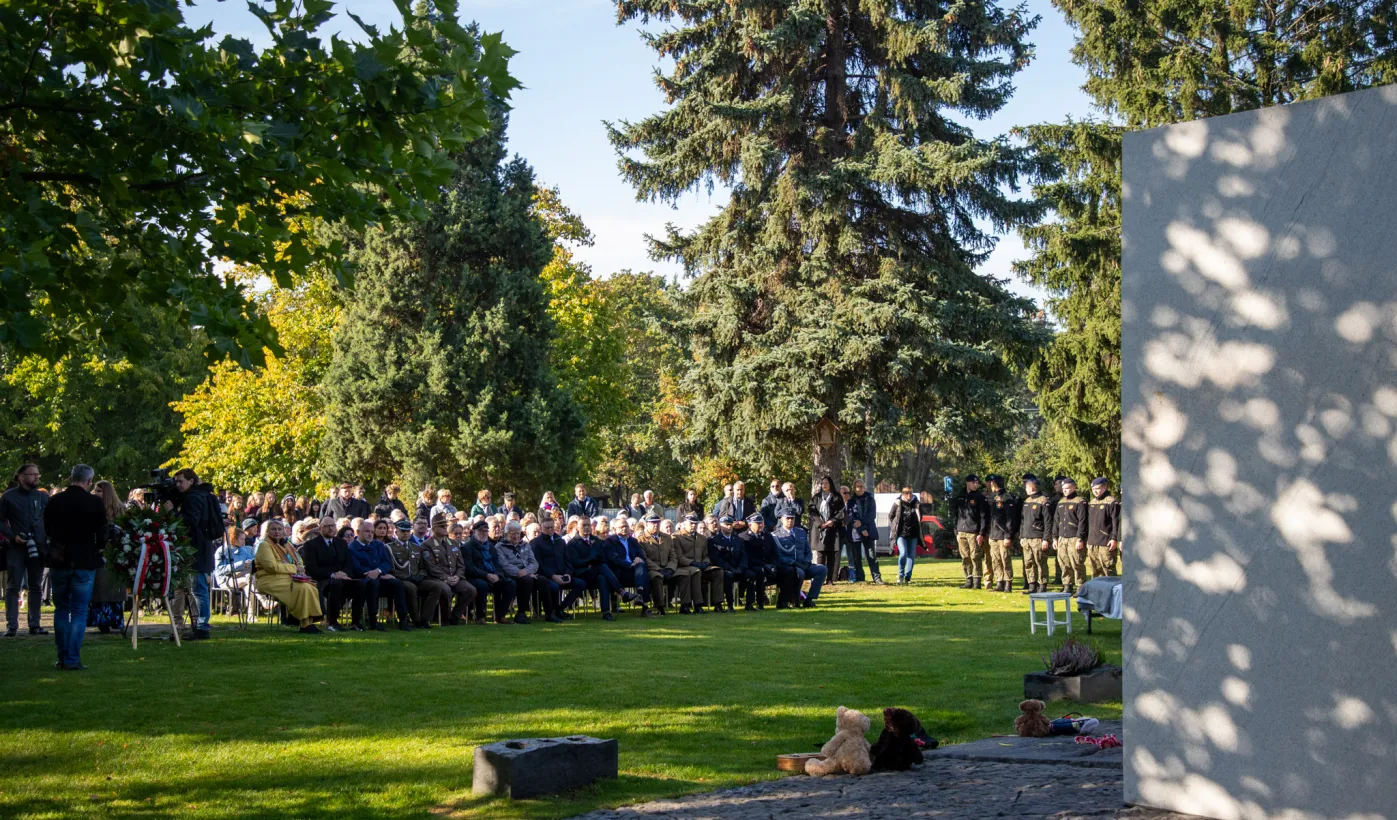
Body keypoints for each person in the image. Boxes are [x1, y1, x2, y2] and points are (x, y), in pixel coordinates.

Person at [41, 465, 106, 668]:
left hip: (60, 558)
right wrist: (99, 547)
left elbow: (47, 528)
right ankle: (72, 658)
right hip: (85, 559)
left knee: (61, 608)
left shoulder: (55, 501)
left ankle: (63, 656)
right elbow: (102, 533)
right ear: (89, 481)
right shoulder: (94, 502)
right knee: (79, 611)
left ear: (70, 478)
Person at [171, 468, 222, 640]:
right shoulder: (202, 495)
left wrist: (173, 511)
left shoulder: (194, 498)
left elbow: (190, 521)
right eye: (176, 482)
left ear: (191, 481)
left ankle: (201, 626)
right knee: (197, 588)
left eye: (181, 481)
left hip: (196, 548)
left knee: (198, 589)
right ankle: (200, 624)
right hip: (200, 546)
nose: (178, 485)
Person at [1, 463, 49, 637]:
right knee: (13, 586)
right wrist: (13, 536)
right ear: (21, 477)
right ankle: (12, 625)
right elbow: (1, 521)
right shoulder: (8, 497)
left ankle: (35, 624)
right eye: (32, 474)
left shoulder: (43, 497)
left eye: (37, 474)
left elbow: (49, 520)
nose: (36, 477)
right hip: (17, 547)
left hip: (38, 546)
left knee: (36, 585)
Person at [253, 518, 323, 634]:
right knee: (302, 588)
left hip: (284, 578)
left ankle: (308, 622)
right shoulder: (264, 545)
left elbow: (297, 560)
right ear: (267, 532)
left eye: (279, 529)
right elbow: (272, 567)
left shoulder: (284, 545)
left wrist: (298, 566)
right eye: (273, 529)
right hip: (268, 580)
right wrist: (294, 568)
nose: (277, 532)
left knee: (311, 587)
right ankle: (304, 623)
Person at [300, 516, 362, 632]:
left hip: (343, 578)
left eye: (332, 526)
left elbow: (348, 563)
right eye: (327, 526)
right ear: (320, 528)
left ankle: (356, 622)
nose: (330, 529)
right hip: (322, 580)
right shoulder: (311, 545)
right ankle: (332, 622)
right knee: (336, 584)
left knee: (360, 585)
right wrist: (333, 574)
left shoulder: (341, 543)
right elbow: (311, 568)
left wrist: (344, 573)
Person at [417, 515, 475, 625]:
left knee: (470, 590)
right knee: (445, 590)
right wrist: (446, 578)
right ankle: (445, 618)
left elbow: (461, 565)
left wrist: (457, 576)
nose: (445, 528)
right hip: (437, 578)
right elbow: (431, 566)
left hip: (455, 577)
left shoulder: (454, 543)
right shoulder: (427, 545)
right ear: (433, 528)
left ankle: (455, 616)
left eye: (445, 525)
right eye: (441, 526)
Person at [462, 519, 515, 624]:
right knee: (482, 585)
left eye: (486, 531)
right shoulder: (467, 547)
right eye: (481, 531)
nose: (484, 533)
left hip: (491, 575)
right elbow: (469, 568)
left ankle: (501, 615)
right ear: (474, 531)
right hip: (475, 577)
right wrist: (486, 575)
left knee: (510, 583)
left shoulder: (491, 547)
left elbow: (497, 564)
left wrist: (498, 575)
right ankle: (480, 616)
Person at [531, 516, 582, 622]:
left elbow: (567, 559)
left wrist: (568, 573)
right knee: (554, 587)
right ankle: (551, 613)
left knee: (580, 583)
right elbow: (538, 564)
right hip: (547, 576)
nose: (550, 530)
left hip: (562, 574)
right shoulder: (536, 543)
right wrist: (553, 576)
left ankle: (560, 609)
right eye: (547, 528)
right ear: (541, 528)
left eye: (551, 527)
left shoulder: (560, 541)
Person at [604, 517, 655, 617]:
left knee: (642, 566)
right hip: (619, 571)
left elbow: (641, 555)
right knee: (642, 571)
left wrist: (638, 559)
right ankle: (645, 605)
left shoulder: (633, 541)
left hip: (634, 571)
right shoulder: (610, 541)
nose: (624, 529)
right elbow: (613, 558)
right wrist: (630, 564)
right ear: (615, 529)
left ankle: (640, 596)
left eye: (626, 526)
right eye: (621, 527)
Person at [949, 475, 990, 589]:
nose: (975, 485)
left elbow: (984, 517)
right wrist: (956, 531)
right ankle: (968, 580)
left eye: (977, 483)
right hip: (961, 531)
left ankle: (977, 581)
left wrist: (981, 533)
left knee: (975, 556)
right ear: (967, 483)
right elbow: (956, 515)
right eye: (973, 483)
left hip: (974, 532)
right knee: (965, 556)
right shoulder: (960, 497)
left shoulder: (980, 497)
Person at [637, 514, 683, 615]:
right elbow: (645, 558)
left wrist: (670, 568)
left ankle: (686, 605)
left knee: (684, 575)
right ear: (646, 524)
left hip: (667, 567)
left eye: (657, 522)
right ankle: (660, 606)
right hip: (653, 569)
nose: (656, 525)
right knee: (657, 577)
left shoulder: (667, 538)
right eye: (653, 523)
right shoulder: (641, 539)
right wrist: (658, 569)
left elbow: (673, 556)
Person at [708, 515, 752, 612]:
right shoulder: (714, 540)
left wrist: (741, 567)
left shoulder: (738, 539)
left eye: (730, 525)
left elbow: (744, 555)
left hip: (738, 568)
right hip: (726, 569)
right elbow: (716, 559)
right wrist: (729, 568)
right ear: (720, 526)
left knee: (751, 575)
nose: (729, 527)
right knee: (728, 576)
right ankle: (730, 605)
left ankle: (749, 604)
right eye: (726, 525)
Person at [985, 475, 1020, 593]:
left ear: (995, 484)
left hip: (1003, 535)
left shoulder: (1007, 498)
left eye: (992, 483)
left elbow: (1011, 519)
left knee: (1005, 559)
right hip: (994, 534)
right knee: (995, 560)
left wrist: (1008, 536)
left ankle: (1008, 583)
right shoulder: (994, 498)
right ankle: (999, 582)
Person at [1053, 478, 1089, 593]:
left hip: (1074, 537)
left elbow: (1083, 521)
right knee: (1064, 562)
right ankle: (1067, 585)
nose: (1065, 491)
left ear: (1074, 487)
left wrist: (1080, 538)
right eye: (1063, 489)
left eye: (1067, 488)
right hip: (1062, 537)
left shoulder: (1080, 502)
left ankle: (1080, 586)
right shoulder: (1061, 502)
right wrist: (1054, 537)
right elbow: (1056, 521)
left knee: (1077, 562)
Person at [670, 514, 711, 613]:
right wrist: (693, 563)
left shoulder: (702, 538)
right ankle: (695, 604)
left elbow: (705, 554)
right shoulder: (677, 537)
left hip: (699, 565)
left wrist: (705, 562)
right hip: (683, 566)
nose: (693, 526)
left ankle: (719, 604)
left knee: (718, 572)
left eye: (695, 524)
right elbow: (679, 557)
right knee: (695, 571)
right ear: (684, 524)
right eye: (691, 523)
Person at [1018, 475, 1052, 594]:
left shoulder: (1043, 501)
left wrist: (1046, 539)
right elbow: (1023, 521)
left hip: (1038, 537)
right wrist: (1022, 536)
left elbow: (1048, 521)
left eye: (1026, 487)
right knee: (1028, 562)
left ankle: (1042, 585)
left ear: (1032, 488)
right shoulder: (1027, 501)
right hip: (1027, 537)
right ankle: (1032, 585)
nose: (1025, 489)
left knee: (1040, 562)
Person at [808, 475, 845, 583]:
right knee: (821, 554)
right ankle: (819, 578)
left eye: (826, 483)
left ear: (830, 484)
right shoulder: (816, 497)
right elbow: (812, 512)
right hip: (820, 529)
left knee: (831, 555)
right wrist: (821, 523)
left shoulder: (837, 497)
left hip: (832, 529)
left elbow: (841, 511)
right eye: (822, 483)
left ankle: (830, 579)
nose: (824, 485)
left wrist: (831, 521)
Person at [215, 524, 258, 615]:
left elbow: (250, 561)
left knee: (248, 585)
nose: (244, 542)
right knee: (249, 581)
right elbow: (220, 570)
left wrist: (251, 563)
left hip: (242, 577)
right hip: (226, 579)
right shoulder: (221, 551)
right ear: (233, 539)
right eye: (242, 539)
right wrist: (241, 564)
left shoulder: (243, 550)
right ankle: (262, 602)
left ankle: (250, 615)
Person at [845, 479, 881, 584]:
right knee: (857, 557)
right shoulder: (851, 501)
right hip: (856, 532)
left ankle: (877, 577)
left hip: (869, 531)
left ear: (864, 487)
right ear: (854, 488)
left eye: (861, 486)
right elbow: (852, 517)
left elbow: (872, 515)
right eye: (857, 486)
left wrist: (864, 526)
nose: (860, 488)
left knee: (871, 556)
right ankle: (860, 577)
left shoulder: (870, 499)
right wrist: (861, 529)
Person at [739, 513, 778, 608]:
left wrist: (773, 564)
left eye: (762, 523)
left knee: (786, 571)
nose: (760, 525)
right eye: (757, 523)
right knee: (759, 572)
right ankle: (757, 602)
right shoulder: (743, 537)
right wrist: (765, 565)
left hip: (767, 565)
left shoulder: (768, 536)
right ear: (750, 525)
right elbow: (748, 556)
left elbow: (774, 552)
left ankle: (785, 601)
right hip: (752, 566)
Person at [885, 486, 921, 585]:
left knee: (911, 556)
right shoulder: (898, 503)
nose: (908, 495)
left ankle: (907, 577)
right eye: (906, 493)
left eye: (910, 492)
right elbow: (891, 516)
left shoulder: (916, 503)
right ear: (902, 493)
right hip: (901, 533)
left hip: (913, 533)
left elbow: (920, 517)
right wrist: (895, 526)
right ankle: (900, 575)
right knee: (903, 553)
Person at [1086, 478, 1120, 580]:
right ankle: (1098, 593)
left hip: (1106, 542)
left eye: (1098, 488)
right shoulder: (1091, 503)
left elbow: (1116, 522)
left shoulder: (1111, 502)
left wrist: (1114, 538)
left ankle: (1112, 594)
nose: (1095, 491)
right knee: (1095, 571)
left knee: (1108, 570)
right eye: (1093, 489)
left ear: (1105, 487)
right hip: (1092, 542)